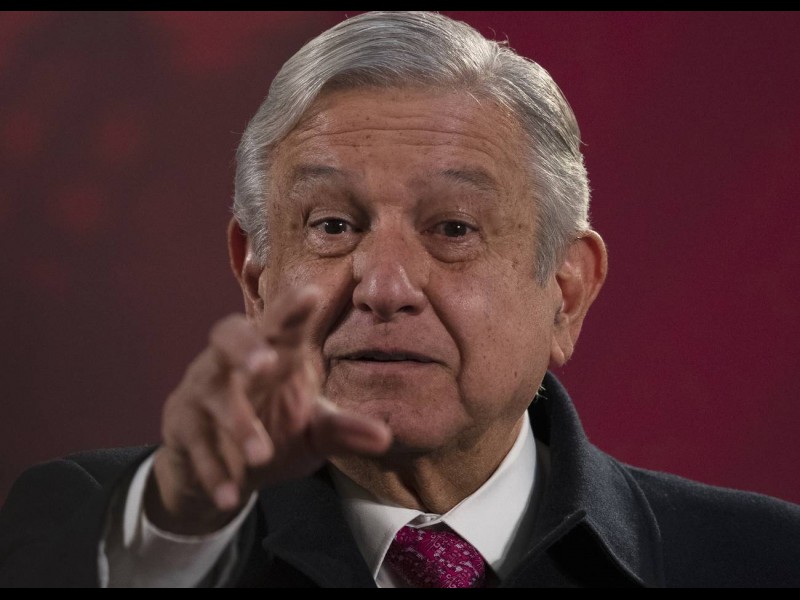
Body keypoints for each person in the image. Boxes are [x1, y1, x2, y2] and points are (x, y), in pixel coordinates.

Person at [1, 11, 798, 588]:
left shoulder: (764, 560)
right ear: (255, 277)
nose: (383, 286)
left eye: (453, 228)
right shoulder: (108, 529)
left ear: (566, 292)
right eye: (332, 226)